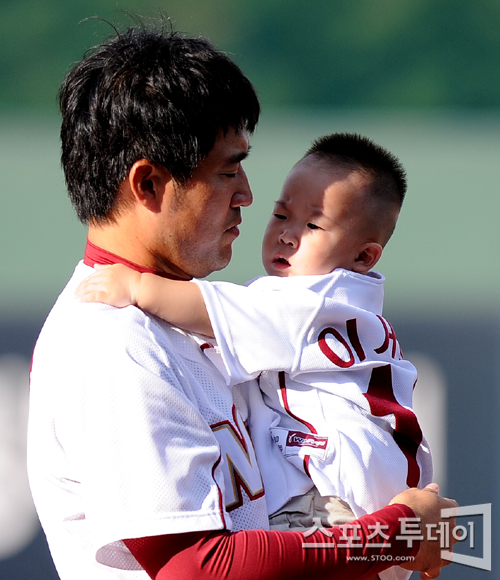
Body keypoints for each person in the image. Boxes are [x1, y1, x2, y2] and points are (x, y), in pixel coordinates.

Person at [27, 23, 457, 580]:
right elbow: (194, 570)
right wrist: (392, 537)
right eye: (228, 170)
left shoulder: (179, 315)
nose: (248, 195)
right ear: (150, 184)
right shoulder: (112, 341)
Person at [76, 132, 432, 580]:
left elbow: (214, 308)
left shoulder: (311, 302)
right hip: (367, 501)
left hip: (333, 504)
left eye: (313, 225)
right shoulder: (348, 302)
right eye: (282, 214)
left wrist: (138, 287)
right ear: (147, 183)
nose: (286, 233)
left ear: (364, 255)